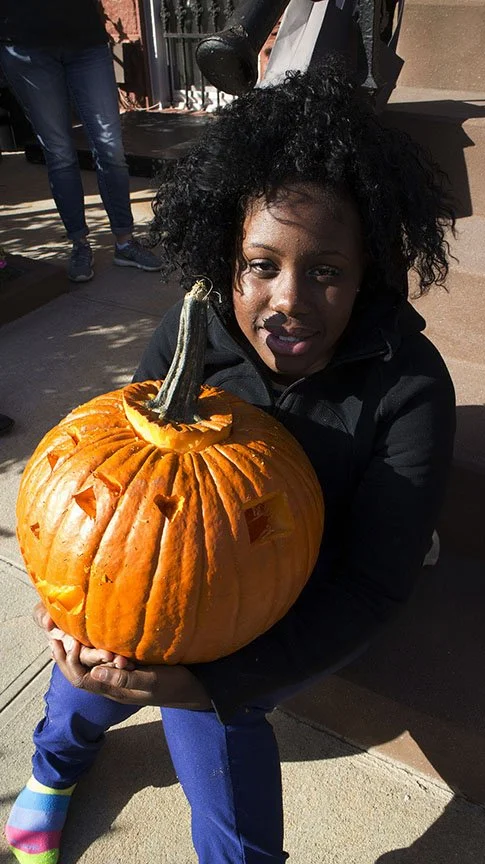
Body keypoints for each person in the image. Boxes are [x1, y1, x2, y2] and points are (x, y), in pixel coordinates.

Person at [5, 62, 456, 864]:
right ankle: (55, 767)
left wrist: (205, 682)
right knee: (92, 662)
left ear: (366, 275)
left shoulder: (409, 387)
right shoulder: (192, 338)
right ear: (228, 259)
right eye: (262, 266)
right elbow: (109, 493)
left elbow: (373, 583)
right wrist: (71, 596)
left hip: (296, 590)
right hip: (163, 569)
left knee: (216, 712)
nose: (288, 298)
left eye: (325, 271)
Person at [0, 0, 161, 283]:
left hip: (86, 41)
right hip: (26, 47)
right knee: (59, 152)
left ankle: (124, 242)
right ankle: (79, 244)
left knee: (110, 146)